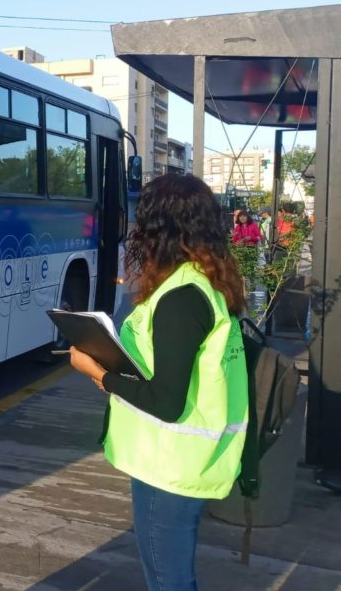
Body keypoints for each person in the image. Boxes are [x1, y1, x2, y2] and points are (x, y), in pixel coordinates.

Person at [68, 173, 248, 591]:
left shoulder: (181, 298)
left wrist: (99, 374)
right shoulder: (203, 284)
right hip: (183, 460)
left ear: (157, 228)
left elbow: (167, 401)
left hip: (170, 466)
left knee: (169, 581)